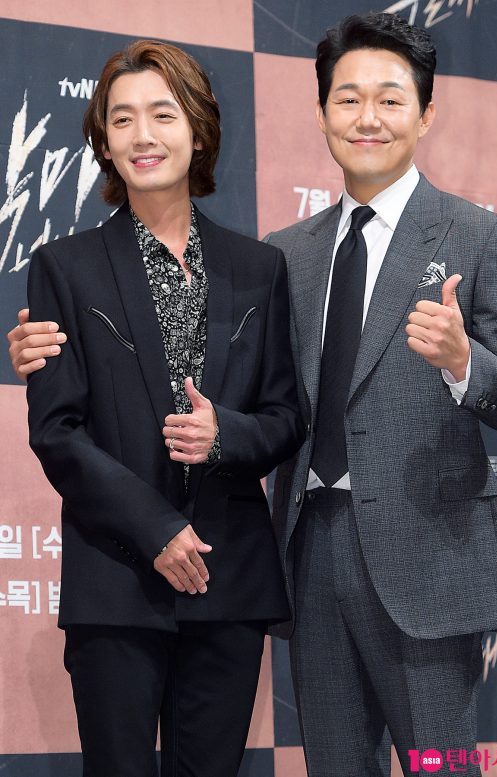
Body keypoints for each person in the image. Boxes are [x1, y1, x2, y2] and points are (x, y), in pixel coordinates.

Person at [8, 12, 497, 777]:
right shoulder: (290, 253)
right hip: (307, 560)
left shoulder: (476, 235)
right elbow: (275, 401)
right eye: (347, 98)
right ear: (321, 113)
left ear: (426, 113)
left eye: (390, 99)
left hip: (425, 566)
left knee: (442, 767)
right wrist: (47, 352)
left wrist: (465, 363)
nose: (366, 117)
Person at [7, 39, 302, 777]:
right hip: (117, 581)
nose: (143, 135)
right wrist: (157, 529)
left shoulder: (259, 267)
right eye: (122, 119)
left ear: (197, 130)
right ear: (104, 143)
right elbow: (58, 431)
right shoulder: (64, 267)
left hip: (229, 580)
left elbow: (285, 416)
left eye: (163, 114)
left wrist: (223, 435)